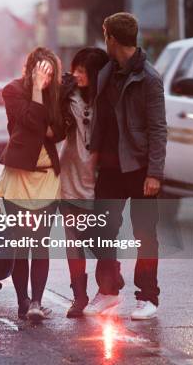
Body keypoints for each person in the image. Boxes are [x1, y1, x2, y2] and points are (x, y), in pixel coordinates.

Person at [84, 12, 167, 320]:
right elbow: (102, 119)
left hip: (140, 167)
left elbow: (158, 128)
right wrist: (93, 155)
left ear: (113, 39)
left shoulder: (148, 78)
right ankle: (107, 291)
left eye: (105, 35)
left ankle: (148, 297)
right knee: (101, 230)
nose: (104, 40)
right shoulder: (108, 72)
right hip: (109, 167)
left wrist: (155, 173)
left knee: (146, 234)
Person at [0, 47, 65, 321]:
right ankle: (23, 301)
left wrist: (44, 120)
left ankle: (37, 302)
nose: (46, 77)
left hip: (47, 177)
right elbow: (33, 121)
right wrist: (37, 91)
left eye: (50, 72)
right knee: (20, 243)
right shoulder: (12, 91)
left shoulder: (57, 95)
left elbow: (59, 130)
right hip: (18, 176)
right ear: (30, 69)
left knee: (40, 243)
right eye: (41, 71)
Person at [58, 47, 110, 318]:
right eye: (75, 69)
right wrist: (61, 92)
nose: (77, 75)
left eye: (83, 71)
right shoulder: (68, 96)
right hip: (70, 176)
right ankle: (79, 296)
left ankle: (110, 277)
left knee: (101, 237)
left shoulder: (107, 98)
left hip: (101, 179)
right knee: (73, 240)